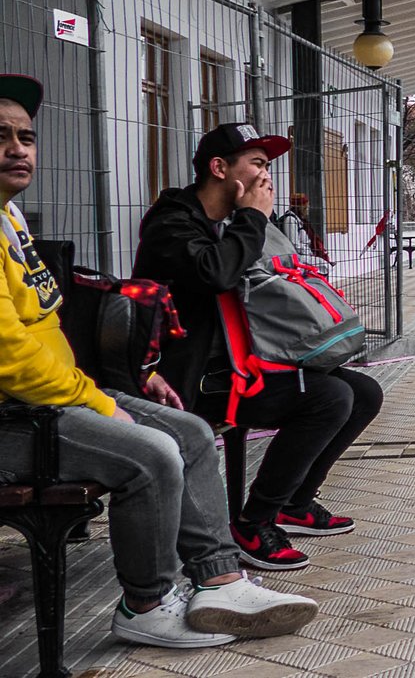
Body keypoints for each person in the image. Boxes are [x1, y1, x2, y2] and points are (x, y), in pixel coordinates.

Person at [0, 75, 317, 648]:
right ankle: (144, 603)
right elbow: (11, 358)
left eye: (26, 135)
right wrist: (97, 401)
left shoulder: (10, 219)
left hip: (45, 399)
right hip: (15, 417)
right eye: (0, 136)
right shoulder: (175, 220)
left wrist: (128, 377)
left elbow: (46, 326)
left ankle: (220, 579)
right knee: (151, 453)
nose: (17, 148)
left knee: (192, 433)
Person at [134, 123, 383, 572]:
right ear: (219, 168)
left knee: (364, 392)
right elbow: (215, 273)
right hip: (192, 381)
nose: (268, 178)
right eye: (258, 165)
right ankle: (253, 522)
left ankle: (294, 502)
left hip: (241, 364)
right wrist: (253, 219)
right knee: (330, 398)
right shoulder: (171, 224)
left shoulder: (226, 223)